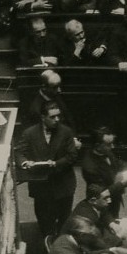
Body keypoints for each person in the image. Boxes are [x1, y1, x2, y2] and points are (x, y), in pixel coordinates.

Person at [16, 100, 79, 237]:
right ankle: (48, 247)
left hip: (63, 186)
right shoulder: (29, 133)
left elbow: (72, 156)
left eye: (58, 116)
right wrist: (25, 163)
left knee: (64, 221)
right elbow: (20, 153)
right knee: (45, 222)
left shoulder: (66, 132)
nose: (57, 120)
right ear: (43, 117)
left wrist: (56, 164)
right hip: (41, 187)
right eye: (52, 117)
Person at [80, 126, 127, 219]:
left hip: (114, 196)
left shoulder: (106, 151)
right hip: (101, 202)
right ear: (97, 146)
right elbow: (103, 192)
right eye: (109, 144)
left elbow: (117, 163)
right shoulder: (89, 166)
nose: (112, 147)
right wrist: (122, 184)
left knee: (115, 218)